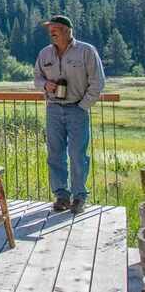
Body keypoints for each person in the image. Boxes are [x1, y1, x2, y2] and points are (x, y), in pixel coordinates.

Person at [34, 15, 105, 215]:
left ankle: (79, 197)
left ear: (67, 30)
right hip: (53, 109)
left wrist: (83, 106)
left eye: (54, 28)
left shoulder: (86, 51)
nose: (51, 32)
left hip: (77, 109)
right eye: (49, 29)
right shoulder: (45, 53)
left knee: (77, 155)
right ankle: (61, 196)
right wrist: (44, 85)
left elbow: (98, 82)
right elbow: (37, 78)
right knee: (55, 154)